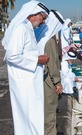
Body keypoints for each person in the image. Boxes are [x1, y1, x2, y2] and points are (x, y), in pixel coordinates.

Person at [1, 1, 49, 134]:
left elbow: (26, 54)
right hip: (24, 84)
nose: (42, 22)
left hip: (30, 82)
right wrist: (38, 59)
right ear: (34, 14)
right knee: (27, 119)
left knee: (32, 119)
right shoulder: (21, 28)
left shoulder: (28, 29)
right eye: (43, 18)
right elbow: (12, 56)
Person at [35, 10, 64, 135]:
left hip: (39, 79)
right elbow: (52, 65)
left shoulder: (38, 35)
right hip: (48, 82)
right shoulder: (49, 41)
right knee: (49, 115)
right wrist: (58, 83)